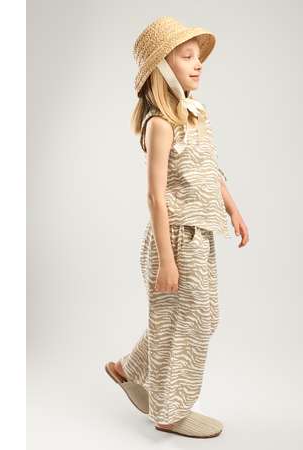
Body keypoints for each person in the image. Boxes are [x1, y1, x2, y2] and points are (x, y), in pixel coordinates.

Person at [105, 16, 249, 438]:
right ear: (162, 69)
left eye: (198, 57)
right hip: (175, 238)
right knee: (187, 322)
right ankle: (169, 411)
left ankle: (128, 368)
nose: (198, 63)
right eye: (187, 57)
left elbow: (209, 169)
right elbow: (155, 197)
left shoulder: (195, 116)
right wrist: (167, 261)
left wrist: (233, 210)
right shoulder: (160, 124)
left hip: (200, 234)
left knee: (200, 316)